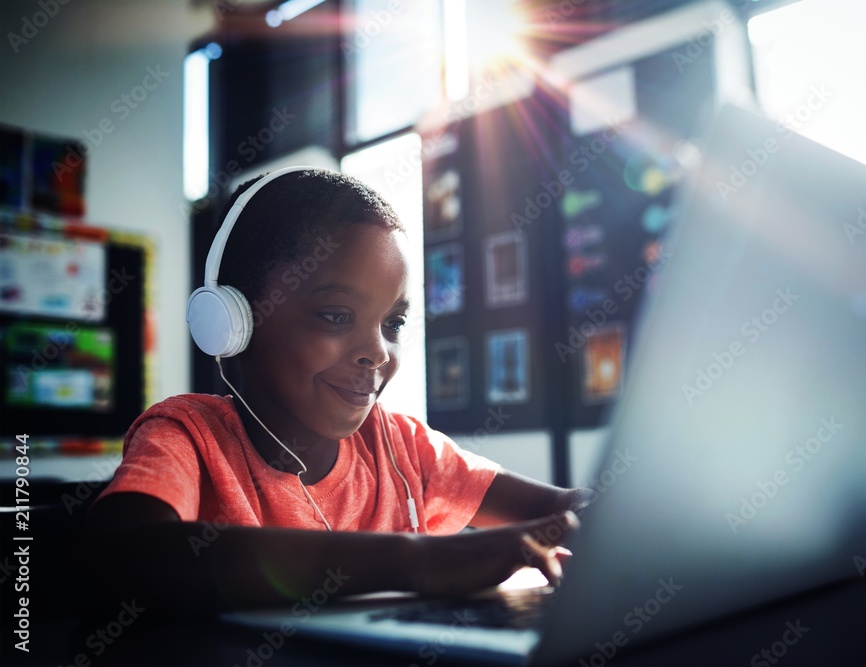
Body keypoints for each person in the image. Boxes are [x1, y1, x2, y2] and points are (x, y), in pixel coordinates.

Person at [86, 169, 590, 613]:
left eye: (393, 322)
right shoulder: (188, 435)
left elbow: (564, 510)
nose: (378, 352)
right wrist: (418, 559)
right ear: (232, 321)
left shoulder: (401, 446)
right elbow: (126, 551)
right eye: (336, 316)